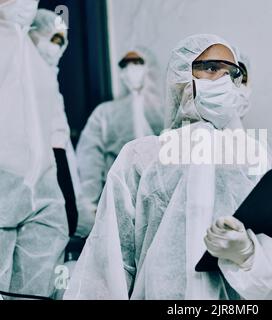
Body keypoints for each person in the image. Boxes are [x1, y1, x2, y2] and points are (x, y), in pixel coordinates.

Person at [64, 34, 272, 300]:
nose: (224, 81)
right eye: (212, 69)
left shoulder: (251, 156)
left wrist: (250, 253)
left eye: (232, 74)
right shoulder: (142, 156)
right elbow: (108, 261)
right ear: (180, 79)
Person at [0, 0, 68, 298]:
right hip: (6, 183)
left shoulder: (36, 64)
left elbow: (53, 133)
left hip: (42, 193)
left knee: (36, 291)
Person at [75, 47, 163, 237]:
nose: (131, 68)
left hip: (163, 202)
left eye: (138, 62)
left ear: (150, 66)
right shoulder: (105, 114)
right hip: (118, 204)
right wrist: (89, 208)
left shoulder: (167, 111)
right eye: (125, 64)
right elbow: (89, 160)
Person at [29, 9, 80, 236]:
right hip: (33, 153)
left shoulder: (51, 78)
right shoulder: (21, 75)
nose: (56, 47)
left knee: (65, 220)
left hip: (56, 151)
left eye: (61, 41)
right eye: (52, 38)